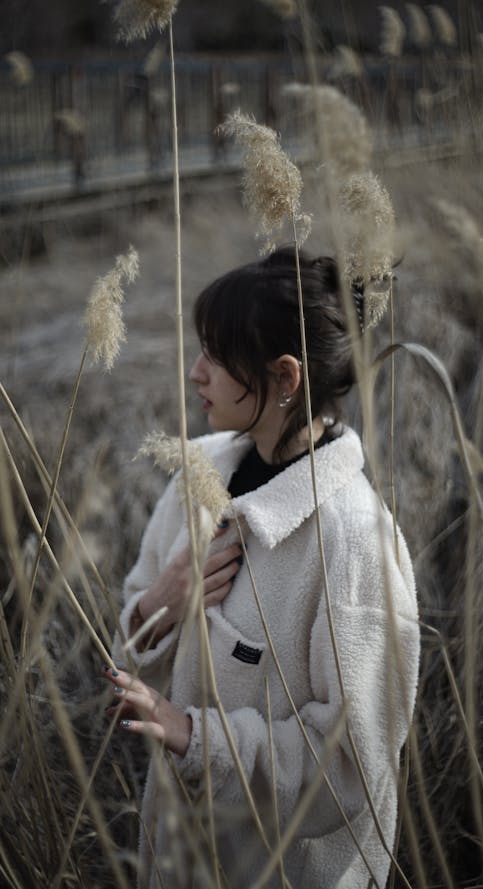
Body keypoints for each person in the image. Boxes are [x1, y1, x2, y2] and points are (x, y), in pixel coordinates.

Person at [105, 246, 420, 889]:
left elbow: (352, 769)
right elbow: (129, 646)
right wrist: (159, 602)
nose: (194, 374)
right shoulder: (201, 473)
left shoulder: (355, 542)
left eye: (216, 358)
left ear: (284, 377)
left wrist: (196, 737)